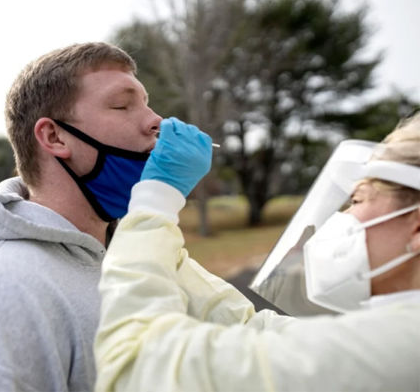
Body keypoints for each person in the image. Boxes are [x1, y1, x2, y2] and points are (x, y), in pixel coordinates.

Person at [0, 42, 162, 391]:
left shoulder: (123, 262)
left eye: (146, 103)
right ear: (54, 136)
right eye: (122, 105)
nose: (156, 121)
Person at [95, 113, 420, 391]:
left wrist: (155, 201)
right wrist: (160, 246)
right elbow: (249, 328)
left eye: (359, 200)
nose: (345, 216)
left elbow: (138, 367)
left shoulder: (401, 348)